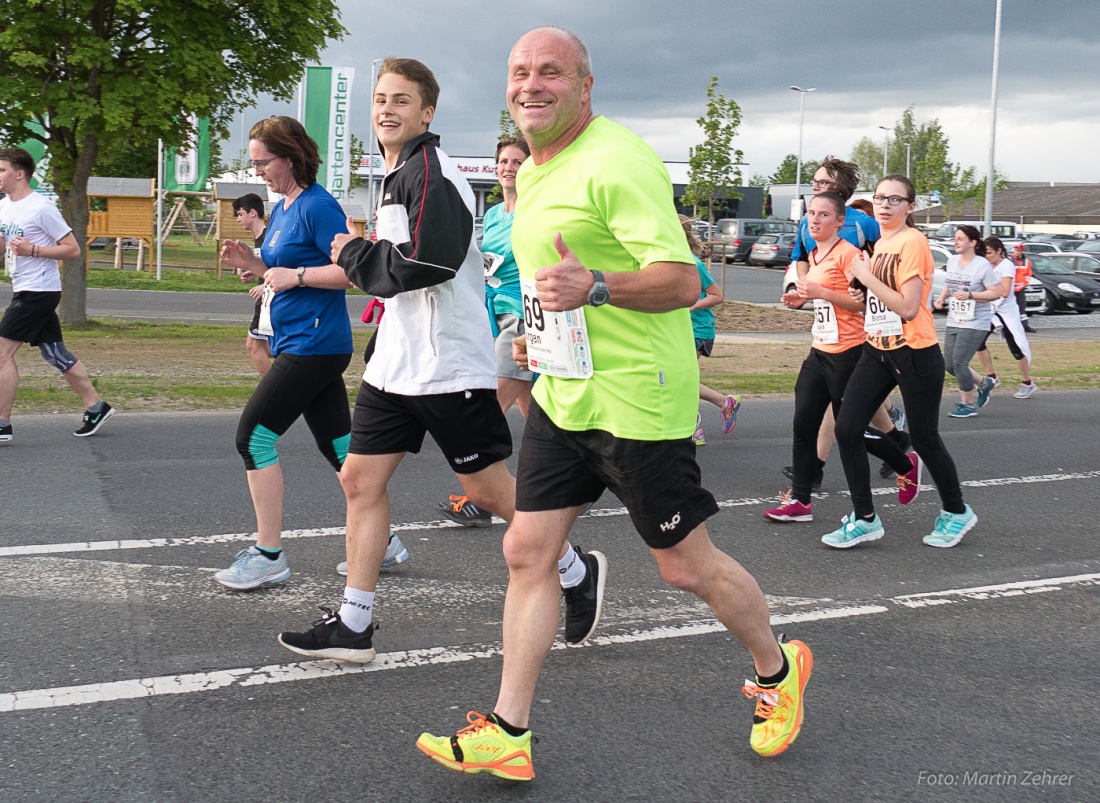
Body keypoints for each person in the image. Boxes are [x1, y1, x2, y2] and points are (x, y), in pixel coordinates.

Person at [416, 28, 812, 782]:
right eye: (520, 72)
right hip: (565, 395)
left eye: (550, 73)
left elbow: (684, 281)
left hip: (637, 403)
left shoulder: (618, 158)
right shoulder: (532, 172)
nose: (532, 84)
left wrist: (596, 284)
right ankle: (509, 730)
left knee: (685, 568)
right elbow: (551, 285)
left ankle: (777, 667)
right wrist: (541, 336)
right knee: (526, 551)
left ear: (585, 86)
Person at [277, 58, 602, 663]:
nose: (386, 109)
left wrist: (352, 252)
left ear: (426, 113)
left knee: (486, 487)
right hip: (395, 365)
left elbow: (427, 264)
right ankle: (354, 622)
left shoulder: (433, 173)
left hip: (447, 363)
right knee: (359, 480)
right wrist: (364, 254)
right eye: (380, 98)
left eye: (402, 100)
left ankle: (573, 568)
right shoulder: (396, 171)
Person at [213, 116, 386, 590]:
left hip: (315, 345)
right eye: (253, 164)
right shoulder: (284, 206)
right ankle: (382, 542)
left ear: (288, 157)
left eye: (262, 162)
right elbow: (280, 262)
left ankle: (269, 555)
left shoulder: (318, 206)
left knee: (253, 439)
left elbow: (352, 271)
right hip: (300, 341)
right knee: (341, 448)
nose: (258, 172)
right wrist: (253, 262)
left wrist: (298, 277)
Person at [825, 175, 976, 549]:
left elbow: (908, 307)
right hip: (876, 349)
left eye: (895, 199)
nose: (885, 204)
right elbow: (879, 299)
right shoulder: (880, 244)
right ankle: (864, 519)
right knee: (846, 429)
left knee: (925, 438)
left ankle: (956, 511)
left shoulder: (914, 242)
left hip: (914, 350)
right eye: (880, 198)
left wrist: (864, 275)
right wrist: (859, 283)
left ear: (911, 207)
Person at [766, 193, 912, 523]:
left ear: (840, 221)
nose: (814, 220)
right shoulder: (815, 255)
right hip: (820, 350)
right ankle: (801, 501)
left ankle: (904, 462)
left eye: (823, 215)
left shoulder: (852, 255)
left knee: (851, 431)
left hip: (850, 352)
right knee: (803, 423)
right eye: (810, 214)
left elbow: (865, 304)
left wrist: (823, 293)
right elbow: (823, 300)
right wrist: (800, 297)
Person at [437, 134, 534, 527]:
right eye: (504, 162)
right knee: (537, 410)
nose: (508, 167)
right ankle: (578, 475)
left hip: (524, 317)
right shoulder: (493, 215)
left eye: (516, 161)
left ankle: (483, 498)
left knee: (489, 407)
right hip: (494, 312)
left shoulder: (536, 211)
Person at [0, 146, 114, 441]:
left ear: (19, 174)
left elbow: (73, 249)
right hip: (24, 287)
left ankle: (2, 423)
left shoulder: (41, 207)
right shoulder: (5, 205)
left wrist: (33, 250)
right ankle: (96, 406)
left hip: (39, 291)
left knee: (1, 353)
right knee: (55, 353)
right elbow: (4, 246)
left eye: (2, 170)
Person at [680, 214, 740, 445]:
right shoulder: (673, 261)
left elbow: (717, 295)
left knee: (681, 379)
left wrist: (692, 306)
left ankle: (694, 428)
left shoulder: (692, 263)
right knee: (681, 378)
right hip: (683, 329)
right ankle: (723, 403)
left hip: (699, 329)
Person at [932, 225, 1002, 418]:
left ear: (973, 243)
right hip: (955, 318)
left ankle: (968, 404)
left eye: (960, 239)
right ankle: (984, 382)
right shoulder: (953, 261)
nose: (956, 242)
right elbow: (951, 283)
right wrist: (942, 298)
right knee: (949, 365)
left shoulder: (982, 264)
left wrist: (971, 295)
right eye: (955, 238)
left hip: (976, 321)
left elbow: (996, 292)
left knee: (960, 363)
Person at [973, 237, 1036, 399]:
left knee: (1015, 347)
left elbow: (1005, 291)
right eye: (984, 253)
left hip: (1006, 312)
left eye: (989, 253)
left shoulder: (1007, 265)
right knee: (978, 342)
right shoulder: (986, 264)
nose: (987, 256)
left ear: (999, 251)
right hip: (990, 311)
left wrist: (989, 292)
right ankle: (992, 377)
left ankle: (1027, 383)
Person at [231, 193, 273, 377]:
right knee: (271, 348)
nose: (239, 219)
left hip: (270, 299)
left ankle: (274, 392)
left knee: (253, 345)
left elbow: (284, 267)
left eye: (240, 214)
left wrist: (265, 287)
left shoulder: (268, 236)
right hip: (267, 300)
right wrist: (253, 270)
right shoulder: (260, 237)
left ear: (253, 213)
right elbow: (268, 265)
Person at [1011, 244, 1037, 333]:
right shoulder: (1009, 260)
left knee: (1022, 307)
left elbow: (1028, 274)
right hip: (1010, 288)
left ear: (1022, 251)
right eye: (1015, 250)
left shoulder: (1026, 261)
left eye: (1018, 250)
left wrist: (1024, 284)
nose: (1016, 252)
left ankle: (1024, 325)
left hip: (1020, 288)